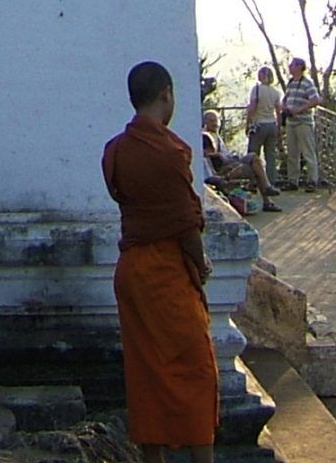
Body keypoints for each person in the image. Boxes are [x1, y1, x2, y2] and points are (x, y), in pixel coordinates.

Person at [102, 61, 221, 463]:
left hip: (131, 271)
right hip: (164, 272)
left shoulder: (115, 151)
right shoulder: (170, 153)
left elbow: (129, 200)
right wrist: (200, 264)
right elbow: (184, 222)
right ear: (166, 95)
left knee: (146, 374)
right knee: (196, 371)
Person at [279, 58, 323, 190]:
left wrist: (299, 109)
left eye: (292, 65)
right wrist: (284, 107)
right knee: (292, 153)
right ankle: (293, 181)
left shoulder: (307, 83)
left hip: (303, 122)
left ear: (299, 67)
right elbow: (286, 99)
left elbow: (316, 99)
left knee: (308, 152)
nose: (289, 67)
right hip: (291, 122)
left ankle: (312, 181)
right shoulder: (291, 83)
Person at [244, 66, 284, 210]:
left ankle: (253, 182)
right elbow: (278, 111)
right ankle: (270, 182)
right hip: (271, 125)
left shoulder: (257, 89)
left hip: (259, 124)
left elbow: (252, 107)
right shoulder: (275, 92)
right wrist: (279, 127)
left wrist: (248, 122)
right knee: (270, 155)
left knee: (253, 155)